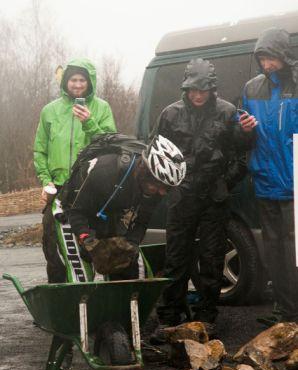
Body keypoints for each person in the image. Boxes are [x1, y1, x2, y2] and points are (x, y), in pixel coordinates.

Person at [151, 58, 250, 340]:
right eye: (193, 90)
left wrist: (225, 183)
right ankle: (170, 316)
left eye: (202, 90)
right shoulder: (170, 114)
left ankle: (207, 316)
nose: (197, 95)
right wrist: (170, 185)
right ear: (186, 88)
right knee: (175, 256)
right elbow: (155, 152)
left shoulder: (227, 112)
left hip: (214, 196)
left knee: (211, 257)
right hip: (181, 195)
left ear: (212, 89)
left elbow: (241, 154)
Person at [58, 133, 186, 282]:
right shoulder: (106, 171)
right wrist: (86, 239)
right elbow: (77, 212)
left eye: (167, 188)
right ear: (144, 169)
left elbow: (142, 220)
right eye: (159, 185)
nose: (162, 192)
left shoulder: (156, 187)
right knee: (81, 276)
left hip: (108, 212)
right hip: (71, 210)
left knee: (133, 272)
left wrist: (132, 243)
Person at [33, 58, 116, 283]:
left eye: (82, 80)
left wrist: (89, 122)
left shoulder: (102, 107)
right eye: (73, 80)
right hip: (58, 189)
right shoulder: (50, 111)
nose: (77, 85)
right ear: (65, 82)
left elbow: (111, 145)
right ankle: (61, 303)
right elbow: (40, 150)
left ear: (90, 82)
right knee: (53, 247)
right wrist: (45, 180)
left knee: (95, 244)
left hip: (91, 186)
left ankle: (103, 299)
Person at [240, 27, 298, 326]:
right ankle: (285, 312)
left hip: (294, 184)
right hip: (265, 181)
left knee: (294, 253)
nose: (266, 65)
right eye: (262, 59)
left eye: (271, 58)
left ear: (283, 55)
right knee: (274, 251)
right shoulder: (251, 88)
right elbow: (242, 136)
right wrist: (244, 129)